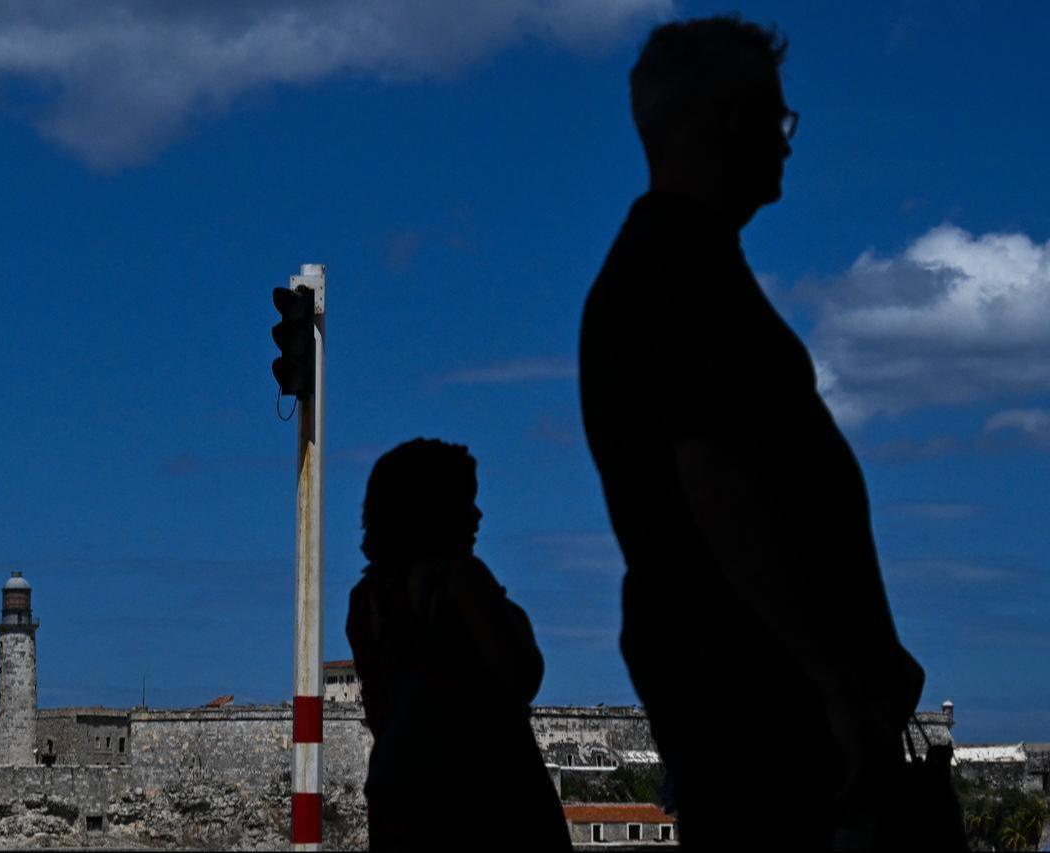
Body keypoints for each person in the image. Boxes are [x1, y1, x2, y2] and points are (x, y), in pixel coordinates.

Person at [578, 16, 927, 850]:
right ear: (719, 121)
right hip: (754, 691)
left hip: (744, 681)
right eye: (774, 118)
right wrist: (836, 682)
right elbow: (720, 484)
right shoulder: (680, 272)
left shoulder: (674, 266)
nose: (786, 143)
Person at [346, 439, 571, 852]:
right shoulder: (461, 581)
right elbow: (524, 672)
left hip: (397, 794)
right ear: (435, 511)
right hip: (488, 798)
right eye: (465, 502)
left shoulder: (365, 601)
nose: (478, 516)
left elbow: (381, 711)